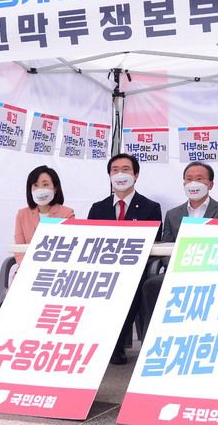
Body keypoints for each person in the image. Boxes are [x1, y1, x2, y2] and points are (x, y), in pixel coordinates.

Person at [141, 161, 218, 332]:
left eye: (199, 179)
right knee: (151, 285)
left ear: (210, 184)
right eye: (189, 179)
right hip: (179, 270)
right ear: (184, 183)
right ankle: (150, 340)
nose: (193, 183)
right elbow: (166, 248)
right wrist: (178, 268)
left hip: (212, 272)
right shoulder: (172, 214)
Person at [87, 153, 162, 365]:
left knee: (135, 286)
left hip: (135, 268)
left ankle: (115, 345)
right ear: (110, 176)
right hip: (102, 268)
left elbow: (154, 242)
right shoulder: (98, 208)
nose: (120, 174)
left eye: (126, 169)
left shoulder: (151, 207)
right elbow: (90, 240)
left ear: (136, 175)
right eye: (115, 170)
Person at [12, 165, 74, 278]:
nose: (40, 189)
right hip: (28, 270)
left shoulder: (67, 214)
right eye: (35, 185)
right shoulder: (22, 214)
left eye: (45, 184)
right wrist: (29, 268)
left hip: (57, 271)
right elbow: (19, 249)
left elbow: (68, 249)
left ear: (55, 188)